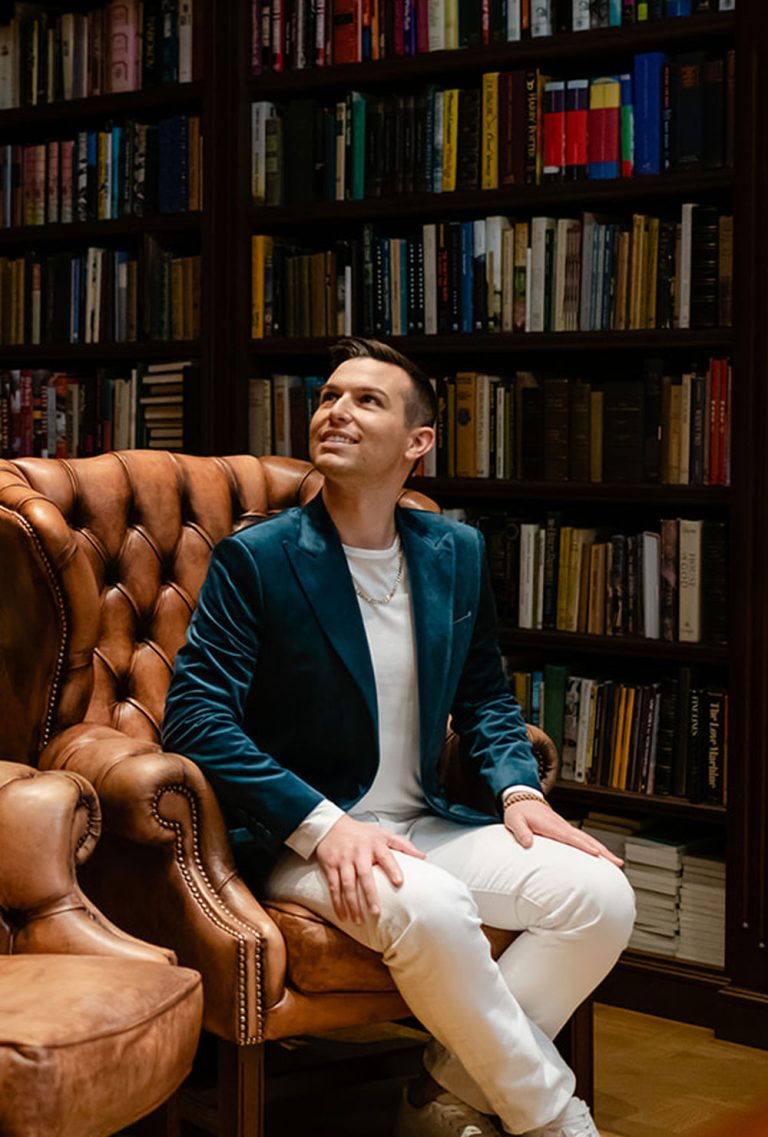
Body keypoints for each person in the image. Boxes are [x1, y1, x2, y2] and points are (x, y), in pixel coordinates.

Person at [163, 338, 636, 1137]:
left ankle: (443, 1093)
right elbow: (196, 717)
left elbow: (484, 693)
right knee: (437, 907)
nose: (335, 410)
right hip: (309, 837)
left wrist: (519, 789)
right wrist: (322, 825)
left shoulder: (454, 551)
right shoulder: (260, 559)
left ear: (418, 442)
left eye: (366, 400)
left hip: (428, 820)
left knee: (600, 897)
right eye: (327, 396)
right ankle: (555, 1117)